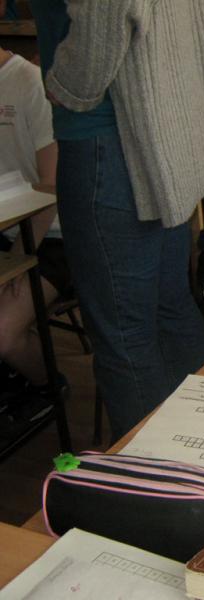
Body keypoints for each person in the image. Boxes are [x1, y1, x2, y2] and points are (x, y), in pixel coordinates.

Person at [30, 0, 204, 441]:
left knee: (126, 333)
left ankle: (157, 476)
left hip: (111, 138)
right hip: (158, 129)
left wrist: (68, 83)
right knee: (168, 307)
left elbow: (105, 14)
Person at [0, 39, 65, 433]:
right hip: (8, 229)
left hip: (51, 233)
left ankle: (48, 386)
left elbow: (51, 186)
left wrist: (21, 257)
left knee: (3, 333)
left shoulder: (29, 83)